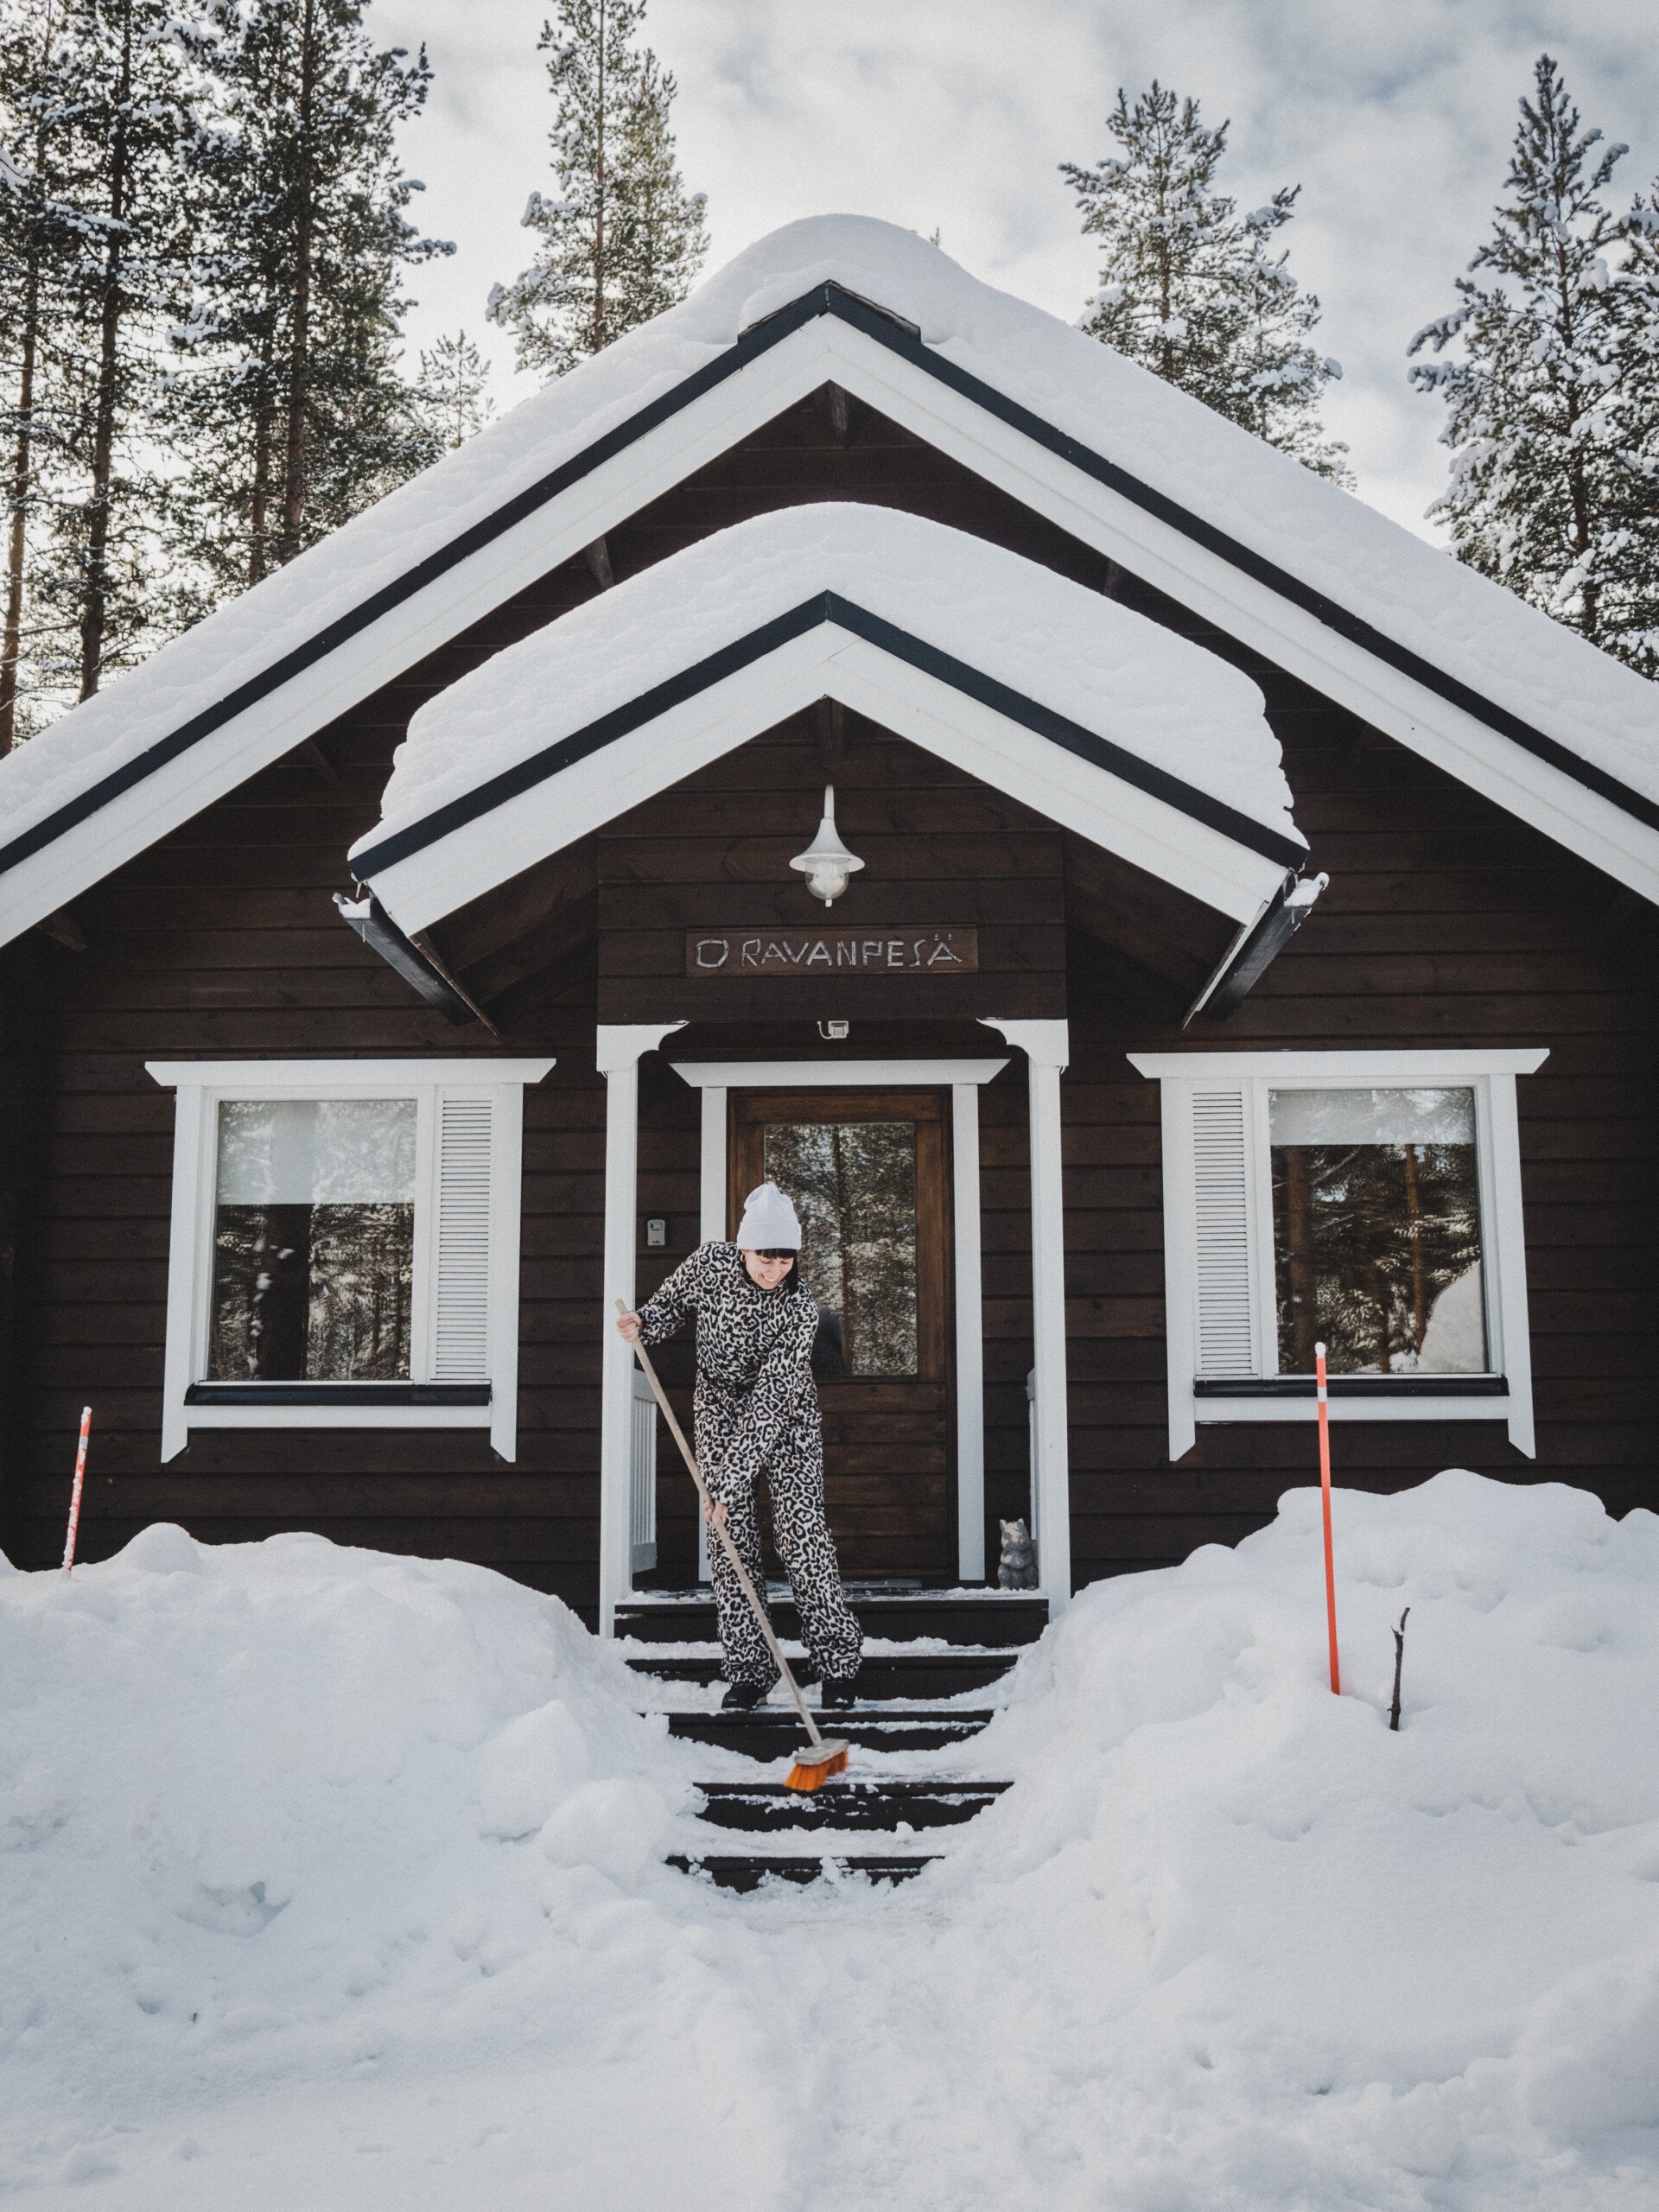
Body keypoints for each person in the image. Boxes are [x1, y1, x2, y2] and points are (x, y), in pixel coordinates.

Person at [616, 1181, 863, 1710]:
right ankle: (751, 1669)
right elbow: (670, 1305)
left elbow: (770, 1401)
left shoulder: (800, 1309)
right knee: (731, 1543)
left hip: (786, 1415)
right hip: (718, 1407)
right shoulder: (710, 1263)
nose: (774, 1272)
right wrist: (644, 1322)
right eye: (764, 1259)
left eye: (784, 1261)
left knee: (802, 1537)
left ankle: (837, 1664)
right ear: (744, 1248)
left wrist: (728, 1482)